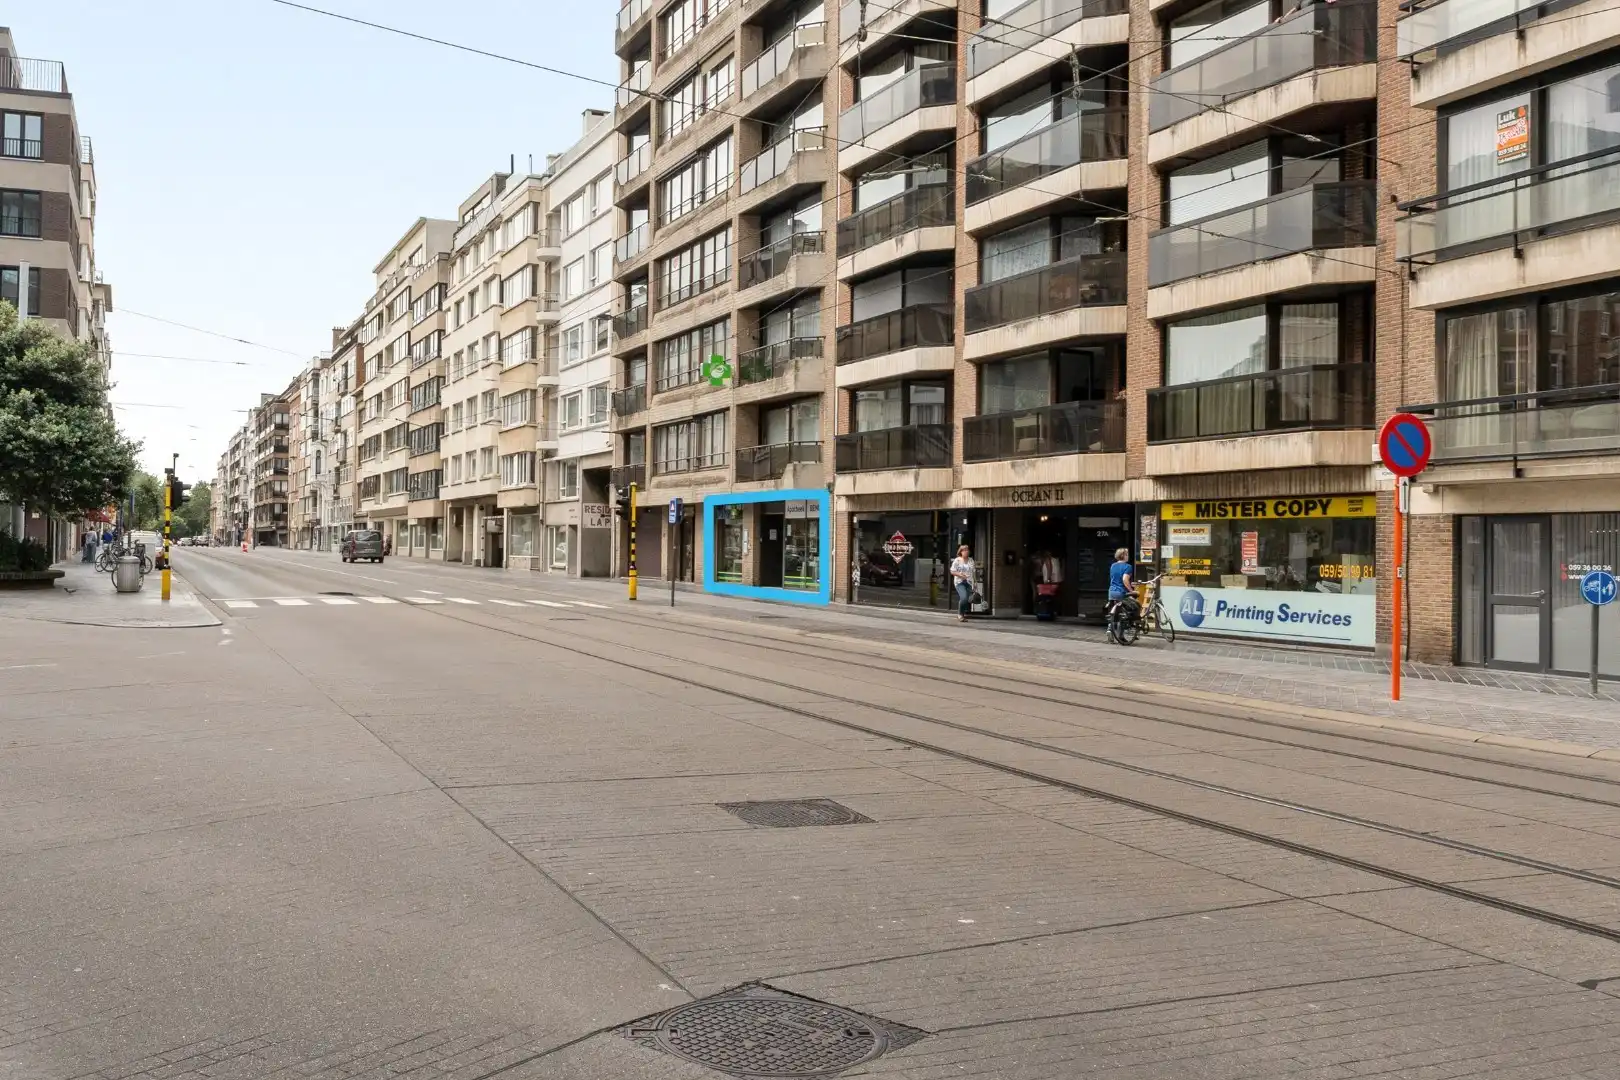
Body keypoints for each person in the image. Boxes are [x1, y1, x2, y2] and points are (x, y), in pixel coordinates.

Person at [1107, 547, 1136, 634]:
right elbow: (1124, 579)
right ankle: (1121, 635)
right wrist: (1131, 590)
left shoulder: (1113, 565)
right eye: (1127, 554)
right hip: (1121, 592)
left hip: (1112, 592)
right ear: (1123, 555)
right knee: (1131, 608)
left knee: (1114, 612)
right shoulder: (1128, 566)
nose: (1128, 556)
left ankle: (1110, 629)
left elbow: (1115, 578)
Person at [949, 544, 977, 623]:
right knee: (964, 597)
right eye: (964, 550)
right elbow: (952, 571)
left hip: (969, 582)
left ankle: (962, 614)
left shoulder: (971, 560)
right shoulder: (957, 560)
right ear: (961, 552)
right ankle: (960, 614)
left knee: (966, 599)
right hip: (959, 582)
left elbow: (973, 573)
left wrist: (975, 583)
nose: (966, 552)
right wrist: (960, 574)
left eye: (967, 550)